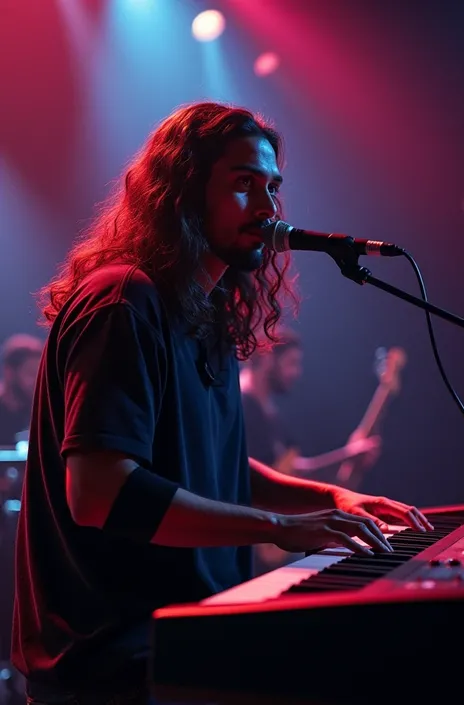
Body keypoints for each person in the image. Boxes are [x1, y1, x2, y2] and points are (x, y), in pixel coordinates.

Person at [11, 101, 433, 705]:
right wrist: (282, 528)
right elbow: (101, 491)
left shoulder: (200, 313)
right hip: (118, 670)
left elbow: (213, 470)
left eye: (272, 188)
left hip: (187, 641)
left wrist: (329, 498)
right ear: (181, 194)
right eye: (242, 185)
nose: (267, 209)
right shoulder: (123, 302)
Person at [240, 326, 381, 574]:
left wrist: (349, 459)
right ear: (267, 358)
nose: (297, 373)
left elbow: (292, 470)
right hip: (253, 541)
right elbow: (280, 475)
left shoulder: (269, 411)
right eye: (292, 363)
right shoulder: (243, 404)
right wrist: (348, 454)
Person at [0, 334, 43, 447]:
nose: (37, 381)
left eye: (40, 374)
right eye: (31, 373)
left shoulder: (43, 410)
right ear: (10, 373)